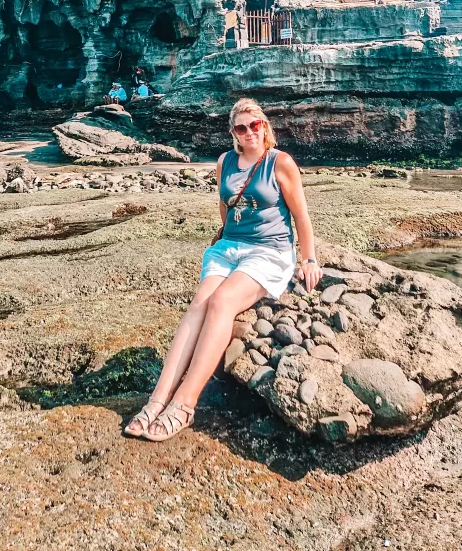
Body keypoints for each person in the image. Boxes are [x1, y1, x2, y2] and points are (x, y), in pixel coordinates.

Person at [124, 97, 322, 442]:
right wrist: (227, 240)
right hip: (228, 248)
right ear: (233, 132)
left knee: (222, 303)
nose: (249, 133)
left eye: (255, 125)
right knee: (200, 303)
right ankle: (157, 399)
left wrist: (309, 260)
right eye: (241, 127)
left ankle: (184, 404)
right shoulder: (225, 162)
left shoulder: (281, 163)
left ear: (265, 125)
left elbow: (301, 216)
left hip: (269, 251)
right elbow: (225, 204)